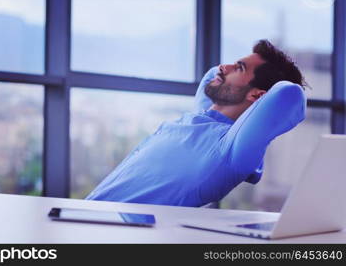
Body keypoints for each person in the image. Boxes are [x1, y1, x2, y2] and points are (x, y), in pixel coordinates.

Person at [86, 39, 307, 207]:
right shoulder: (194, 120)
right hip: (83, 214)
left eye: (238, 68)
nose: (223, 67)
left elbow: (288, 95)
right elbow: (212, 74)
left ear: (258, 97)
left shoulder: (232, 150)